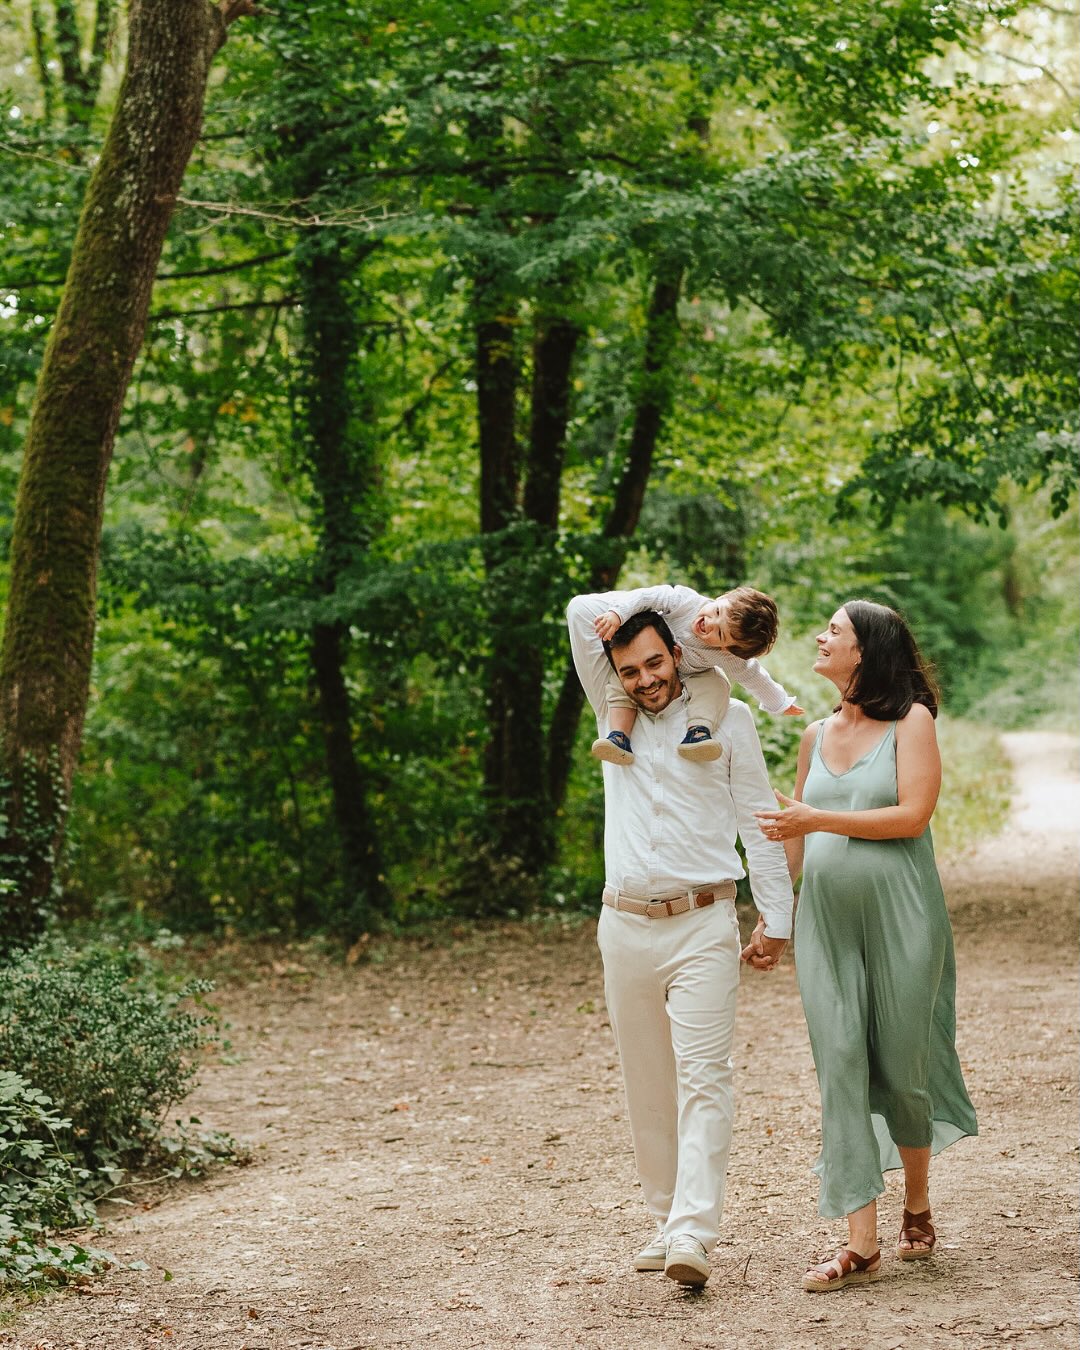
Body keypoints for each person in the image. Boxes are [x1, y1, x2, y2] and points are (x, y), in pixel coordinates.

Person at [566, 594, 795, 1288]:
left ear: (676, 652)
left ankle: (693, 1229)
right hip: (624, 923)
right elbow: (580, 608)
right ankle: (665, 1220)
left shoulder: (730, 716)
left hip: (703, 921)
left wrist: (778, 919)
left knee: (704, 1077)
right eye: (629, 670)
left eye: (654, 662)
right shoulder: (616, 715)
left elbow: (759, 822)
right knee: (648, 1082)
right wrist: (618, 619)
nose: (644, 679)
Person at [752, 600, 977, 1293]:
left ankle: (916, 1201)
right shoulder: (814, 734)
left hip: (904, 917)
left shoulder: (912, 722)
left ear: (867, 650)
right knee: (841, 1061)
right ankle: (861, 1244)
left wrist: (819, 817)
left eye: (835, 632)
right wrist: (772, 918)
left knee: (903, 1065)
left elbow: (912, 815)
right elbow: (792, 832)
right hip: (826, 923)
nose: (820, 638)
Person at [590, 584, 803, 766]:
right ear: (722, 597)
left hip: (689, 674)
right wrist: (618, 614)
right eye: (718, 611)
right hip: (654, 662)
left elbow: (754, 676)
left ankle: (698, 732)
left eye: (719, 634)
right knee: (619, 684)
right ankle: (618, 737)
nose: (709, 623)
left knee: (717, 684)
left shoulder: (730, 658)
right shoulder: (685, 602)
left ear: (726, 649)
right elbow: (648, 596)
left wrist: (780, 703)